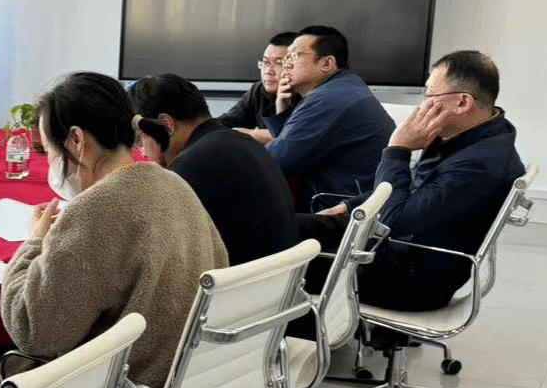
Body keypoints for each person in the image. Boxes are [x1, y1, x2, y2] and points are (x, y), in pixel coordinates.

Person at [0, 72, 227, 388]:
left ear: (76, 140)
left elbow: (33, 332)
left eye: (48, 150)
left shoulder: (94, 211)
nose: (50, 164)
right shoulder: (173, 182)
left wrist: (34, 243)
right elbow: (220, 264)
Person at [298, 49, 524, 311]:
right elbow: (413, 189)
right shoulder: (478, 136)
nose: (422, 105)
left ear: (463, 103)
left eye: (429, 95)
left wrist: (397, 150)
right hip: (401, 252)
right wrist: (351, 205)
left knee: (285, 253)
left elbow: (393, 222)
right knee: (291, 228)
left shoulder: (481, 163)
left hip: (413, 279)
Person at [132, 73, 298, 266]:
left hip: (237, 281)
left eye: (140, 137)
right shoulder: (241, 143)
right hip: (273, 278)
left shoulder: (191, 165)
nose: (142, 150)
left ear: (166, 125)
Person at [263, 25, 392, 211]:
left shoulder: (329, 99)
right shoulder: (343, 87)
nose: (286, 64)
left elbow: (275, 161)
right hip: (346, 201)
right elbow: (290, 151)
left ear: (327, 64)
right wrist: (282, 110)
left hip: (337, 210)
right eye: (286, 57)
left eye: (295, 55)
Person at [219, 31, 297, 136]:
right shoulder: (259, 90)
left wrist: (253, 134)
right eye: (266, 62)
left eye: (279, 63)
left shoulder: (307, 95)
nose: (268, 71)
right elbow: (226, 122)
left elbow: (293, 138)